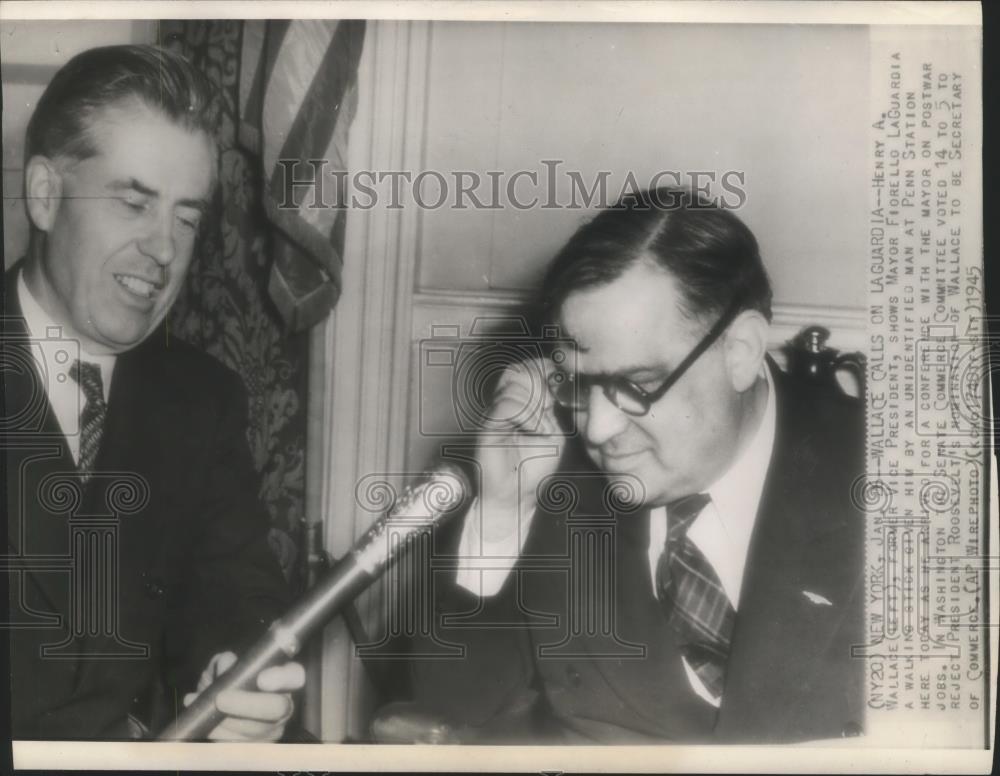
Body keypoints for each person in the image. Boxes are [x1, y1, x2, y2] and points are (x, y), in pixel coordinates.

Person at [407, 187, 865, 743]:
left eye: (636, 385)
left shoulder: (894, 481)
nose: (598, 429)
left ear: (740, 351)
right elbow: (444, 727)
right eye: (579, 385)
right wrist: (501, 516)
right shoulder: (550, 480)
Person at [2, 44, 304, 740]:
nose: (165, 250)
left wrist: (240, 675)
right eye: (133, 203)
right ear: (45, 194)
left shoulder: (202, 399)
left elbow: (237, 592)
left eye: (187, 218)